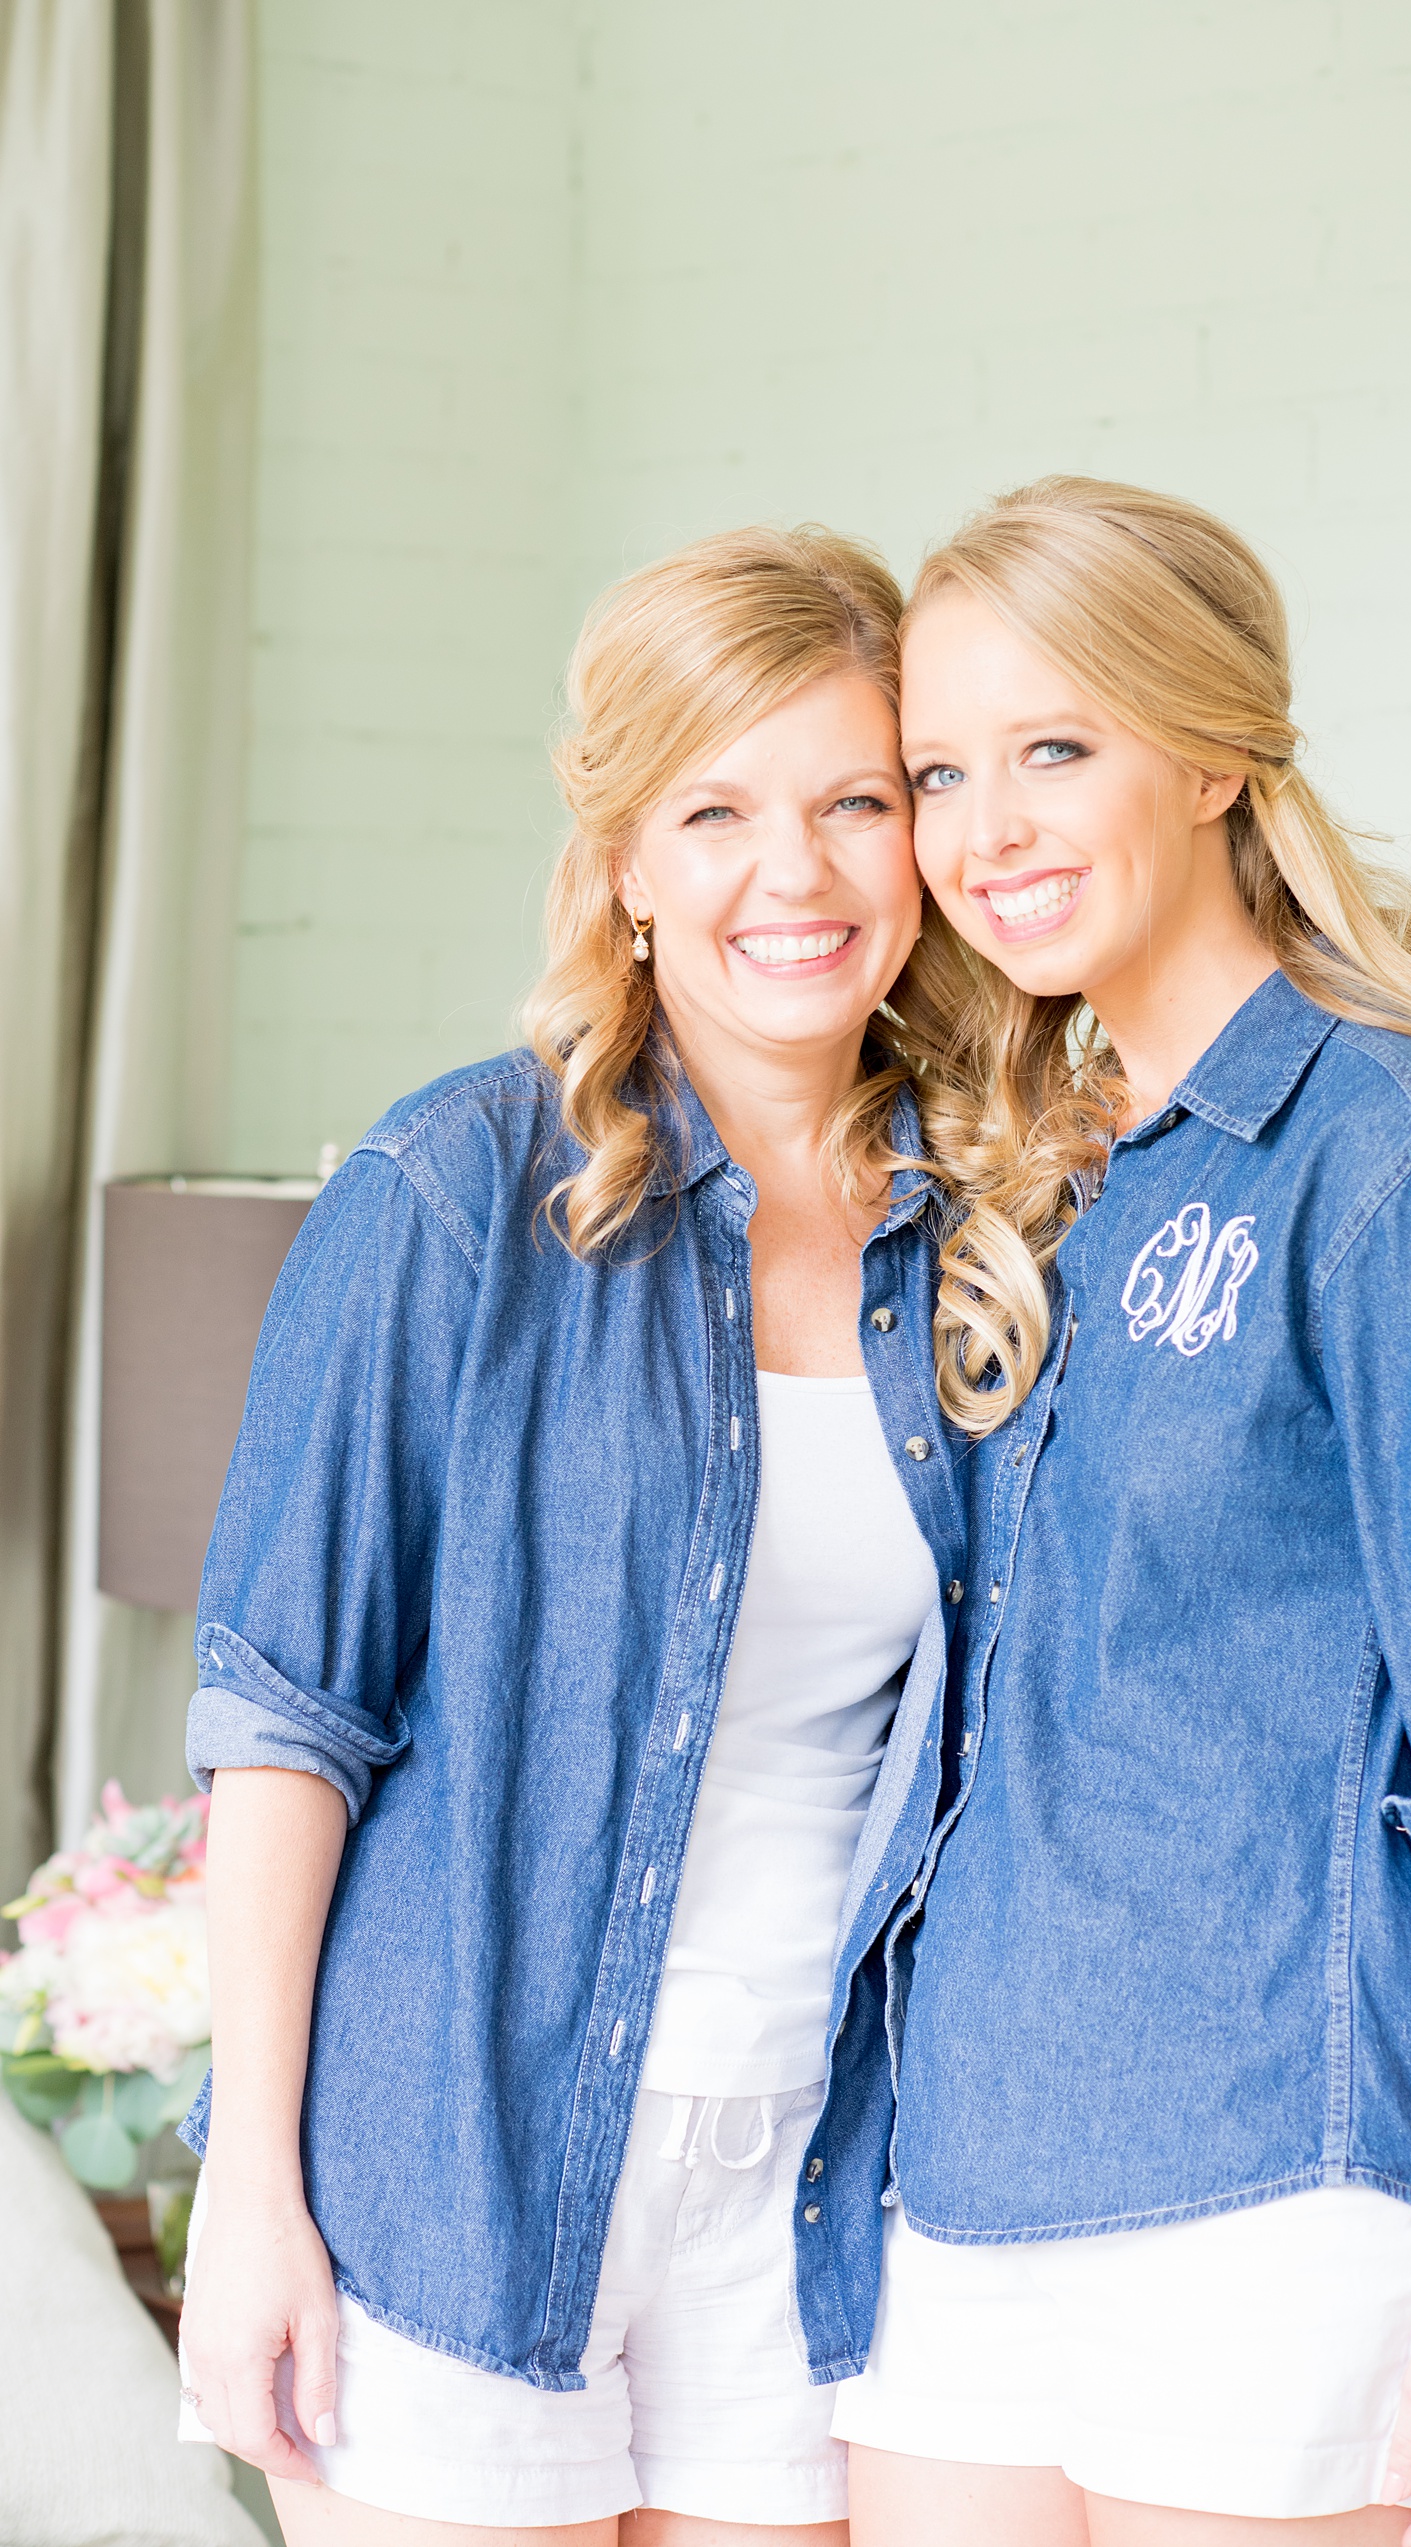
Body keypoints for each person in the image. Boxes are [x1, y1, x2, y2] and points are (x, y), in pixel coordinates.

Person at [829, 478, 1411, 2547]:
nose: (983, 830)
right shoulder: (1031, 1165)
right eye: (940, 769)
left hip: (1272, 2178)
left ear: (1210, 750)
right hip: (970, 2159)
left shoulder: (1407, 1148)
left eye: (1056, 746)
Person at [172, 523, 992, 2546]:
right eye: (712, 807)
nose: (787, 873)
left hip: (817, 2177)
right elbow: (286, 1720)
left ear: (919, 836)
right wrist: (248, 2187)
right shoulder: (457, 1186)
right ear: (624, 859)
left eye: (848, 801)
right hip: (459, 2159)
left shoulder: (989, 1224)